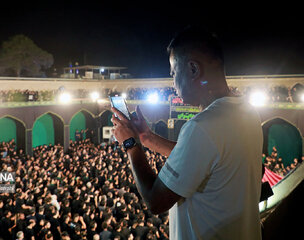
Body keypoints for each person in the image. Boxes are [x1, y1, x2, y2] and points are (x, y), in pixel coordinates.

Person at [111, 25, 263, 239]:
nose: (173, 82)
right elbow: (206, 158)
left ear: (193, 69)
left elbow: (155, 201)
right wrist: (147, 138)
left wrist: (131, 145)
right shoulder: (246, 112)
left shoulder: (202, 126)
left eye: (174, 72)